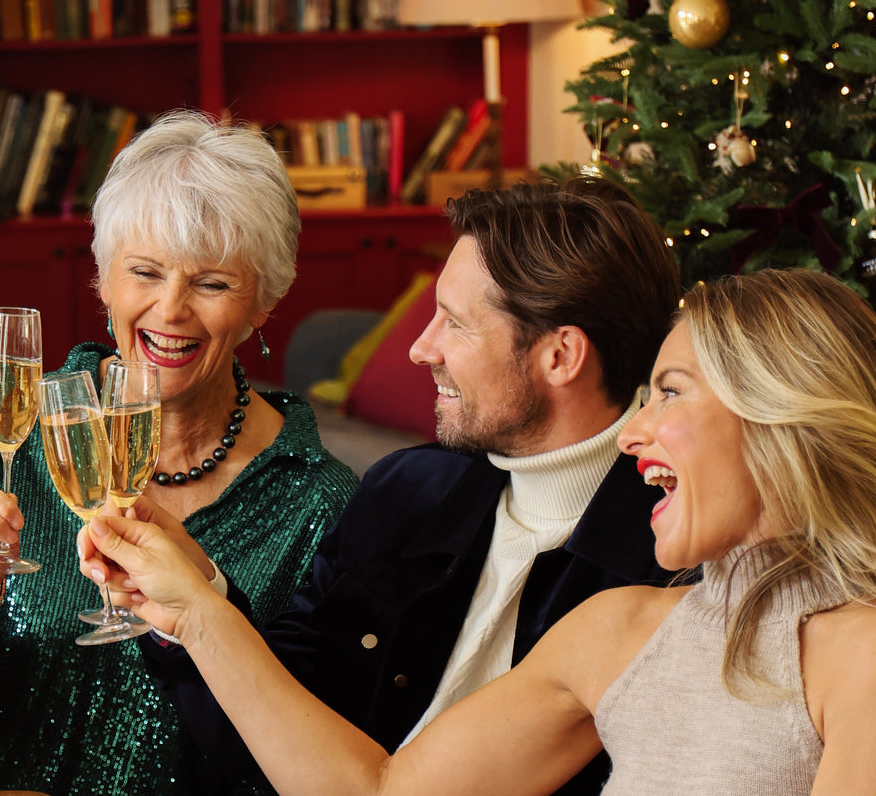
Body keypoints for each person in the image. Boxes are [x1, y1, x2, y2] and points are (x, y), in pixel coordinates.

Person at [86, 268, 876, 794]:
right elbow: (377, 792)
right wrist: (193, 613)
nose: (634, 434)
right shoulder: (618, 630)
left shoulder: (865, 657)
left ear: (781, 414)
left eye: (670, 394)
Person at [82, 177, 684, 794]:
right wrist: (193, 596)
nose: (422, 348)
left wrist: (199, 613)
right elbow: (269, 745)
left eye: (455, 323)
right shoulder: (406, 493)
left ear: (561, 357)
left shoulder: (669, 567)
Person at [0, 109, 359, 795]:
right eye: (145, 272)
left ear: (262, 303)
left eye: (211, 284)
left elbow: (317, 753)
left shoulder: (318, 502)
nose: (170, 310)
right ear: (103, 280)